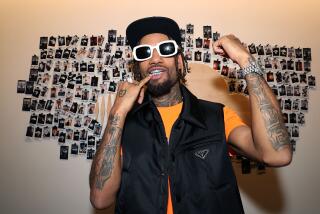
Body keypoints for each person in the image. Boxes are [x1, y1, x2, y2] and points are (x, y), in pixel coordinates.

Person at [89, 16, 292, 214]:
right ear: (137, 67)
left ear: (179, 62)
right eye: (144, 53)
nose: (155, 59)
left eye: (165, 49)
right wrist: (117, 113)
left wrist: (245, 59)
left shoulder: (217, 117)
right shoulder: (123, 126)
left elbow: (277, 154)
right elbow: (100, 199)